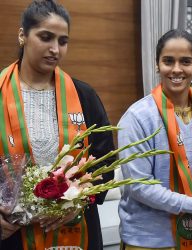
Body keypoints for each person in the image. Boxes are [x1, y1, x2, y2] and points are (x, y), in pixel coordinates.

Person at [0, 1, 114, 249]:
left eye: (63, 41)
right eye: (45, 37)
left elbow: (106, 163)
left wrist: (80, 199)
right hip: (14, 235)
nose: (55, 49)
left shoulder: (84, 96)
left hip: (76, 229)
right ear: (23, 35)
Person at [118, 29, 192, 250]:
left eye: (185, 61)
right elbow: (139, 186)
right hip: (149, 239)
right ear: (157, 64)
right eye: (168, 61)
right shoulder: (138, 117)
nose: (176, 69)